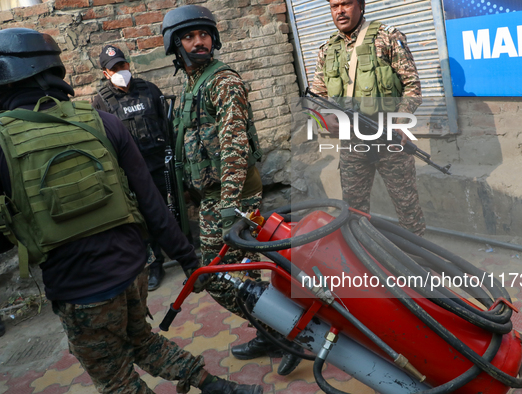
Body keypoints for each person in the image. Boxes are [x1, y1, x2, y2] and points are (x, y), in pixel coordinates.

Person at [0, 28, 261, 394]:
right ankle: (218, 385)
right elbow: (152, 204)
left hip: (80, 288)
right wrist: (187, 259)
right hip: (132, 270)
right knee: (143, 340)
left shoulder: (4, 140)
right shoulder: (100, 120)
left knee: (117, 379)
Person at [161, 5, 301, 375]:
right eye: (189, 37)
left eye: (204, 34)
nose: (199, 42)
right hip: (212, 198)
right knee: (240, 276)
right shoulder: (192, 85)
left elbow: (235, 147)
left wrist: (228, 212)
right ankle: (273, 332)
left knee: (219, 277)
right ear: (175, 45)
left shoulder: (223, 82)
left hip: (233, 198)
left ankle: (285, 333)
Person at [310, 0, 426, 236]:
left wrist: (401, 122)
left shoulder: (387, 38)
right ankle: (362, 259)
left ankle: (418, 263)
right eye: (334, 6)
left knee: (408, 209)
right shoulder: (327, 50)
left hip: (389, 137)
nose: (340, 11)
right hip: (353, 143)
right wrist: (324, 117)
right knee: (353, 211)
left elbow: (412, 86)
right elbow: (317, 96)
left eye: (346, 4)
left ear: (360, 5)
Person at [92, 45, 169, 291]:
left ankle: (182, 252)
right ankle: (155, 265)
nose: (120, 70)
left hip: (158, 167)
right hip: (129, 174)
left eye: (122, 65)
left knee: (165, 212)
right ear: (106, 73)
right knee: (143, 221)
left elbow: (167, 125)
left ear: (128, 64)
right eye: (113, 68)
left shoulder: (150, 90)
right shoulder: (101, 101)